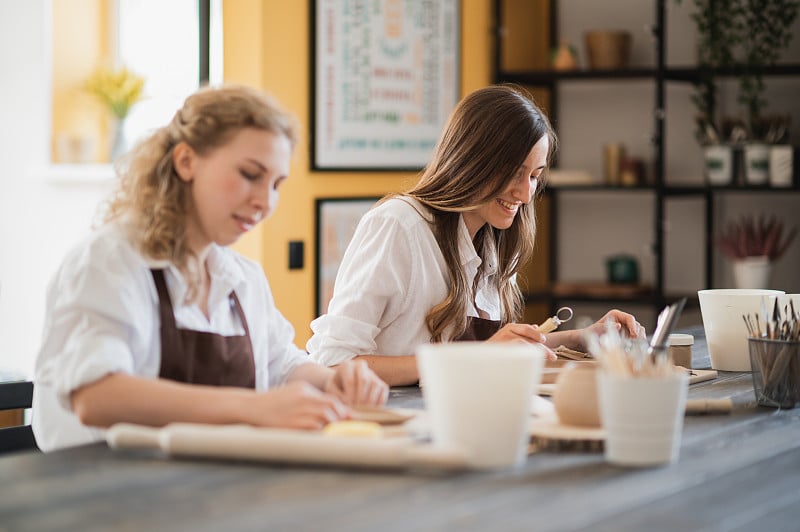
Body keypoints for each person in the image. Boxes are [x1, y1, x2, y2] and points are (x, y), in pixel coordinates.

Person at [32, 85, 388, 452]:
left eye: (276, 184)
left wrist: (332, 382)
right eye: (251, 174)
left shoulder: (242, 278)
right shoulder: (110, 261)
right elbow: (97, 398)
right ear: (186, 161)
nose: (265, 202)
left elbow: (281, 363)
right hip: (108, 489)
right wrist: (254, 409)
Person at [307, 84, 642, 386]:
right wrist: (472, 358)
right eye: (515, 173)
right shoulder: (399, 226)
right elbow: (335, 363)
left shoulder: (491, 236)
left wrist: (585, 338)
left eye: (535, 176)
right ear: (472, 160)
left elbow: (493, 349)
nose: (525, 195)